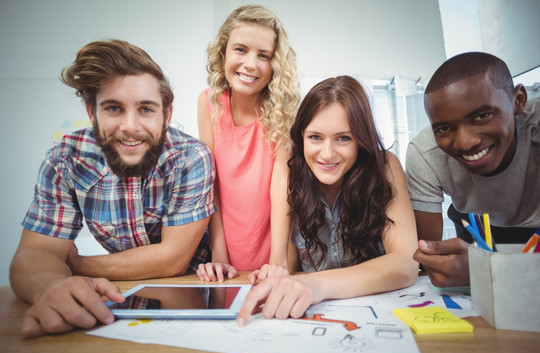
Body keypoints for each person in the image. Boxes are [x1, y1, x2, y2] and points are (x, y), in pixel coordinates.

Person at [9, 39, 216, 338]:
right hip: (122, 299)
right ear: (92, 111)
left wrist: (77, 265)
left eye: (146, 109)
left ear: (166, 114)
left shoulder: (190, 157)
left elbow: (173, 258)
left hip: (193, 294)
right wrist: (53, 285)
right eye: (114, 108)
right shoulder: (64, 160)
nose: (130, 126)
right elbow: (34, 254)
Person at [237, 76, 419, 325]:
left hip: (378, 315)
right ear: (301, 136)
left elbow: (405, 265)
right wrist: (274, 273)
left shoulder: (385, 167)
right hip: (311, 317)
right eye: (315, 137)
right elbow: (284, 265)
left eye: (343, 138)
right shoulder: (289, 170)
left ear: (361, 140)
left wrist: (317, 285)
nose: (327, 154)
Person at [406, 52, 540, 287]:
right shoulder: (424, 153)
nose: (465, 143)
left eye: (482, 115)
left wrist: (490, 271)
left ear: (518, 100)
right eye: (444, 128)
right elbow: (429, 256)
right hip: (477, 227)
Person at [196, 5, 300, 282]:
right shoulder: (208, 102)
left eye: (263, 55)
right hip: (226, 247)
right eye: (241, 49)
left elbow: (282, 186)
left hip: (276, 245)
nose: (251, 64)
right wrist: (218, 254)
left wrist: (278, 260)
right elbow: (211, 182)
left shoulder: (284, 110)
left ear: (275, 63)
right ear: (224, 52)